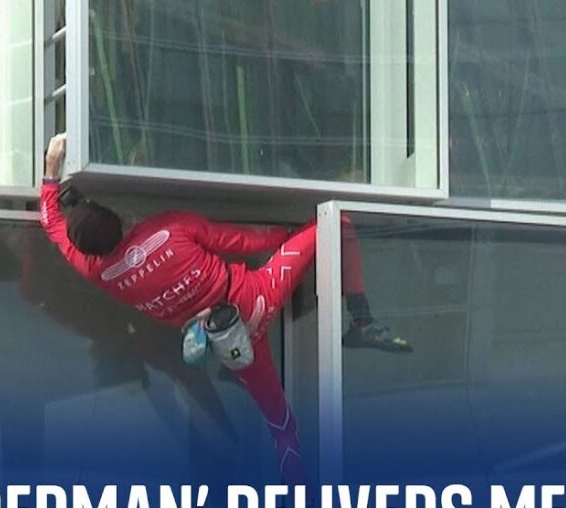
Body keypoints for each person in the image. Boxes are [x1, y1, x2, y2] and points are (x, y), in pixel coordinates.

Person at [39, 134, 408, 485]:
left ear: (85, 250)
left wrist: (49, 177)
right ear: (117, 218)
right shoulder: (168, 227)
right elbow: (244, 240)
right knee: (338, 224)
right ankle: (362, 322)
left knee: (282, 428)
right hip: (257, 296)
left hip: (232, 341)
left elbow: (49, 222)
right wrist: (291, 235)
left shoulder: (98, 272)